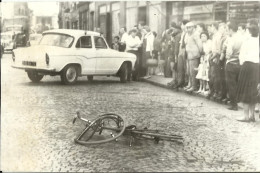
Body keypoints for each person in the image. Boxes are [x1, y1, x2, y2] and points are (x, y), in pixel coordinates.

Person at [236, 24, 259, 122]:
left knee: (245, 89)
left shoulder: (246, 42)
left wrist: (242, 64)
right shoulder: (258, 41)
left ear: (249, 32)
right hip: (257, 67)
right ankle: (252, 115)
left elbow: (242, 56)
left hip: (247, 66)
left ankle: (245, 116)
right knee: (253, 90)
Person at [225, 22, 244, 111]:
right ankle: (238, 102)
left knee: (231, 85)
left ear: (231, 30)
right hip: (239, 63)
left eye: (227, 29)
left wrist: (227, 56)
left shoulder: (231, 39)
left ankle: (234, 104)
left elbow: (228, 54)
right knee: (237, 84)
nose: (227, 31)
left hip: (231, 63)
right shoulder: (242, 37)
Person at [184, 22, 203, 92]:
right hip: (189, 55)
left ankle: (194, 86)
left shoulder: (196, 34)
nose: (188, 29)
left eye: (189, 27)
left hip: (194, 56)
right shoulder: (187, 35)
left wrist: (200, 53)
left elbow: (200, 45)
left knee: (193, 72)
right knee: (190, 72)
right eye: (187, 28)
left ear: (193, 27)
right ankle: (191, 85)